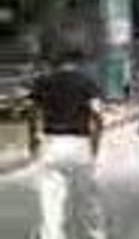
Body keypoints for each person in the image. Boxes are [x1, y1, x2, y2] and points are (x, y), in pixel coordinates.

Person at [27, 37, 107, 239]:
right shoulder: (88, 82)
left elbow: (32, 112)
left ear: (54, 61)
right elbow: (97, 116)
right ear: (78, 60)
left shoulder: (43, 82)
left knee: (51, 196)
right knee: (89, 194)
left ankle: (52, 235)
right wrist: (95, 145)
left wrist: (33, 140)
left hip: (52, 141)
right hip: (79, 143)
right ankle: (96, 233)